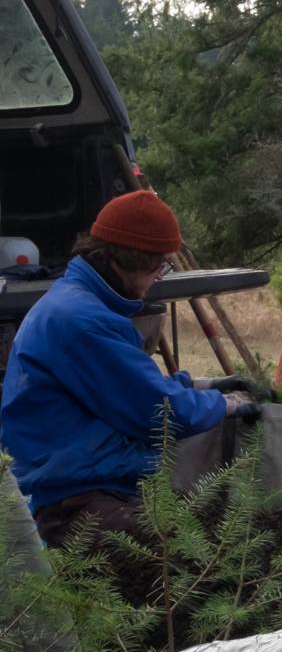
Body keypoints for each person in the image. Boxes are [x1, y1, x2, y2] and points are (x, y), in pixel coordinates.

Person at [0, 191, 259, 546]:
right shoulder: (82, 322)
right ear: (133, 259)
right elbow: (159, 413)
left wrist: (201, 384)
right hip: (74, 504)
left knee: (214, 521)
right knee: (202, 546)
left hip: (94, 489)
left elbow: (129, 386)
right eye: (161, 266)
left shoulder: (79, 303)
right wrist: (226, 404)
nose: (161, 278)